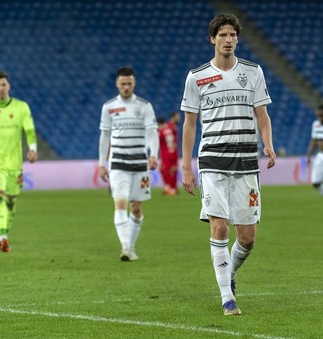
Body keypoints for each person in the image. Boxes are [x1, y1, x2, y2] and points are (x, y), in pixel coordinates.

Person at [180, 13, 276, 316]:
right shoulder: (197, 77)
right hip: (212, 159)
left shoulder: (253, 72)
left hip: (246, 160)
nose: (228, 39)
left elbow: (262, 113)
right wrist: (185, 166)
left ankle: (230, 274)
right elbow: (190, 124)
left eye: (232, 34)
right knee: (219, 228)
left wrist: (268, 144)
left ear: (238, 39)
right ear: (212, 39)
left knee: (247, 238)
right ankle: (227, 298)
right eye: (222, 34)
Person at [98, 66, 159, 262]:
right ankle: (125, 247)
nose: (126, 87)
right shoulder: (108, 107)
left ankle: (130, 246)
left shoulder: (144, 106)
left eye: (129, 84)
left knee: (136, 208)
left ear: (134, 84)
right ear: (117, 84)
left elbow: (152, 133)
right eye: (122, 84)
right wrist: (101, 163)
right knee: (120, 203)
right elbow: (104, 136)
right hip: (118, 163)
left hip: (140, 164)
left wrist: (154, 155)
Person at [0, 71, 37, 253]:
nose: (0, 88)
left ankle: (5, 231)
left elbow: (29, 130)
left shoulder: (21, 107)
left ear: (9, 86)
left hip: (15, 163)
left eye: (3, 84)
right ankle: (2, 237)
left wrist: (32, 149)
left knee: (11, 201)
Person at [158, 111, 181, 195]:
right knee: (173, 170)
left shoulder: (165, 127)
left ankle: (169, 188)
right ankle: (173, 188)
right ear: (173, 117)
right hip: (174, 151)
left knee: (165, 170)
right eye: (178, 117)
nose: (179, 119)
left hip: (166, 153)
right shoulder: (173, 127)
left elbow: (159, 139)